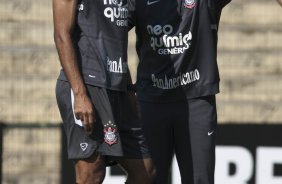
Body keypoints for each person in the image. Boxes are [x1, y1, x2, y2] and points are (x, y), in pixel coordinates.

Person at [128, 0, 232, 183]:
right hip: (152, 101)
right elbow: (110, 29)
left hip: (196, 101)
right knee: (147, 178)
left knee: (199, 179)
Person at [53, 0, 155, 183]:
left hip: (119, 87)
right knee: (92, 174)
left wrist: (130, 92)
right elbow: (61, 35)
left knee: (145, 171)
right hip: (87, 85)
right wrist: (80, 94)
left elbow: (116, 47)